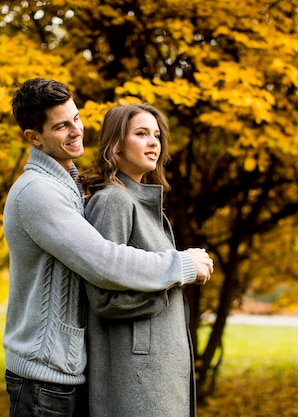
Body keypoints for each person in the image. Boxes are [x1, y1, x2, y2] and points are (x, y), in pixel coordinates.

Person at [2, 78, 214, 417]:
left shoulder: (69, 187)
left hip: (67, 370)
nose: (76, 131)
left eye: (76, 118)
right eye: (61, 126)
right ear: (33, 137)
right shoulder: (38, 192)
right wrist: (181, 267)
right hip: (43, 375)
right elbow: (104, 261)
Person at [82, 103, 208, 417]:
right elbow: (105, 298)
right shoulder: (113, 201)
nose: (154, 142)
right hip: (134, 381)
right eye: (141, 134)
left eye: (156, 135)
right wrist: (177, 277)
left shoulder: (146, 205)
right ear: (116, 144)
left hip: (155, 375)